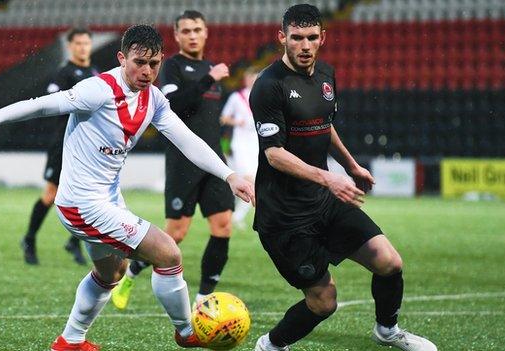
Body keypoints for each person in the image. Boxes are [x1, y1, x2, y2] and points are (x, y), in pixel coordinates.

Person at [0, 24, 254, 351]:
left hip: (106, 201)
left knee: (111, 273)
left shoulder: (154, 99)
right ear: (122, 58)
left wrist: (229, 175)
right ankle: (187, 333)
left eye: (154, 63)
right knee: (168, 253)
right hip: (81, 204)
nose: (147, 71)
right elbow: (42, 104)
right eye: (139, 62)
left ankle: (70, 341)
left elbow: (187, 139)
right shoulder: (99, 89)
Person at [250, 5, 436, 351]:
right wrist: (329, 178)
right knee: (324, 302)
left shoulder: (325, 75)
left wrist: (350, 165)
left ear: (323, 37)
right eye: (296, 38)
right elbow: (273, 154)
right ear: (282, 39)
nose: (304, 46)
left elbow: (324, 124)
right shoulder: (268, 86)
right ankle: (270, 345)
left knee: (389, 262)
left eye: (311, 38)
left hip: (323, 202)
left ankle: (387, 330)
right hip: (285, 217)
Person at [112, 10, 235, 311]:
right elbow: (176, 105)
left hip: (213, 161)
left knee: (223, 226)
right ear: (177, 36)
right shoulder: (171, 67)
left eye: (197, 30)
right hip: (183, 163)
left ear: (206, 33)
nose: (193, 35)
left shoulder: (210, 69)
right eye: (186, 31)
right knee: (176, 235)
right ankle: (131, 273)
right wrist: (209, 78)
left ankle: (203, 300)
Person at [21, 27, 99, 266]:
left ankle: (74, 242)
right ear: (70, 46)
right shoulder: (63, 73)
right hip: (64, 142)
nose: (83, 47)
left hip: (88, 146)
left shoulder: (95, 73)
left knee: (89, 196)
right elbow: (54, 102)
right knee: (51, 195)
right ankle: (29, 239)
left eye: (87, 43)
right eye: (79, 43)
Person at [220, 67, 259, 228]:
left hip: (256, 144)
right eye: (251, 78)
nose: (253, 81)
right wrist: (238, 122)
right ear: (246, 79)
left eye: (256, 78)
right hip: (240, 144)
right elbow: (223, 118)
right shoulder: (237, 97)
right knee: (249, 180)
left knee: (253, 182)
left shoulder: (262, 96)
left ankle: (236, 215)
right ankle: (249, 216)